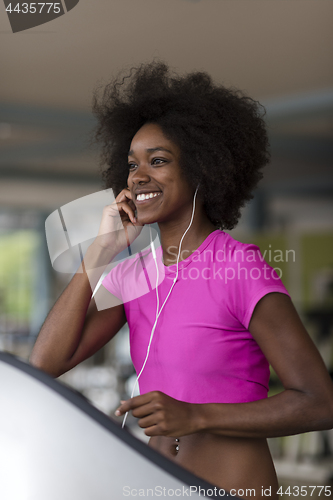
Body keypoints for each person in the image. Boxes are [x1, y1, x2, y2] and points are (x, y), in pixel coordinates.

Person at [30, 62, 333, 499]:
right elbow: (45, 364)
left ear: (202, 170)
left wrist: (197, 416)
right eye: (132, 164)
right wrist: (99, 254)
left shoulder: (239, 269)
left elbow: (318, 402)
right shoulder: (131, 277)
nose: (138, 176)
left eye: (158, 161)